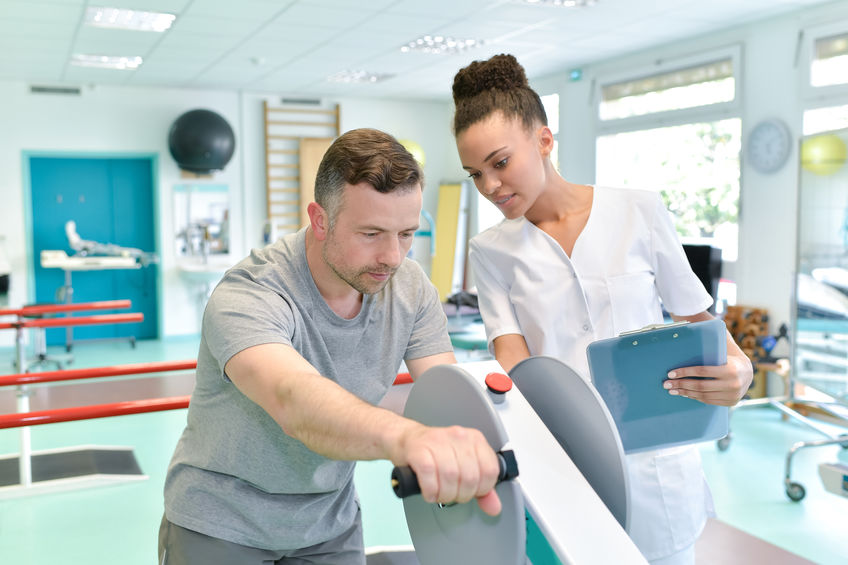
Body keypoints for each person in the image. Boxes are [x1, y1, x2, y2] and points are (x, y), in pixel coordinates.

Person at [452, 54, 753, 565]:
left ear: (544, 140)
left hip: (656, 469)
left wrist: (740, 370)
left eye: (500, 163)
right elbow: (513, 360)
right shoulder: (490, 251)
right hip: (563, 464)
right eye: (475, 174)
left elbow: (701, 323)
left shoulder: (639, 211)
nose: (490, 187)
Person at [159, 128, 502, 565]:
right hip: (221, 523)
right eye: (372, 233)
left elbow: (445, 389)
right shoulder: (250, 293)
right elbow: (294, 399)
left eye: (406, 234)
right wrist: (407, 438)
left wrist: (476, 448)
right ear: (320, 220)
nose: (393, 257)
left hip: (328, 524)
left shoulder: (410, 287)